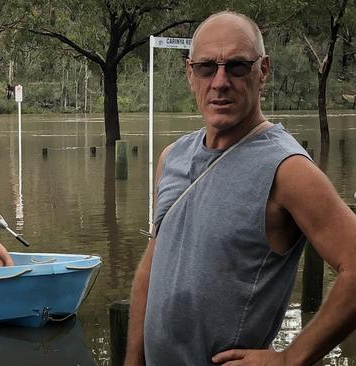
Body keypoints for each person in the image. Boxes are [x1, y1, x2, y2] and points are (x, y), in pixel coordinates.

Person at [125, 10, 356, 366]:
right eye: (206, 67)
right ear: (190, 73)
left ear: (262, 71)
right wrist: (132, 360)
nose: (219, 81)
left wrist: (290, 358)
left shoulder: (288, 170)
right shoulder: (172, 157)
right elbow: (152, 268)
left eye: (236, 66)